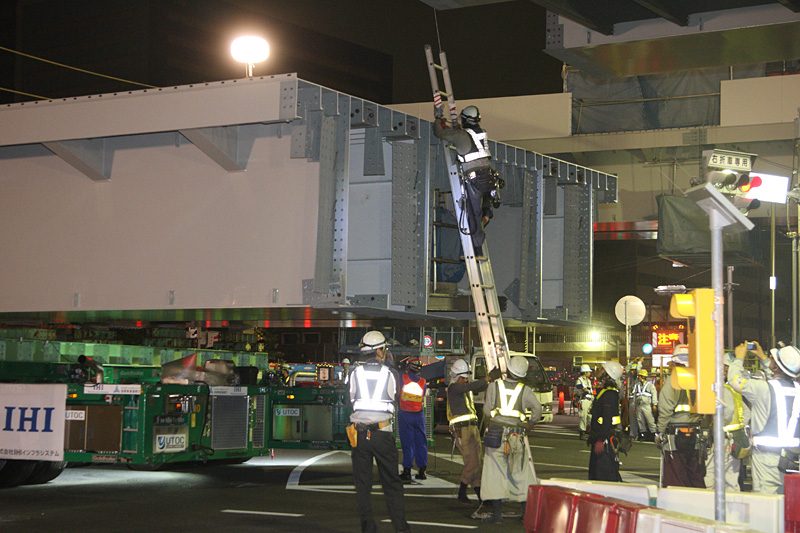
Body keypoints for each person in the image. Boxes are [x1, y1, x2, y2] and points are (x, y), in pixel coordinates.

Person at [348, 331, 410, 532]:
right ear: (381, 350)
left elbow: (351, 399)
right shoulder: (391, 373)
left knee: (363, 485)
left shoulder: (354, 373)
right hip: (383, 433)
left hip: (359, 434)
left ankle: (368, 528)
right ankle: (400, 528)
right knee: (391, 483)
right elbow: (394, 397)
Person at [728, 340, 800, 494]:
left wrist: (739, 358)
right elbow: (777, 381)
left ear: (776, 366)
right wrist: (762, 357)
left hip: (767, 460)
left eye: (772, 359)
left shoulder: (762, 389)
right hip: (793, 459)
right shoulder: (797, 390)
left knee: (766, 507)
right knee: (787, 504)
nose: (770, 359)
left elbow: (733, 379)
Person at [433, 105, 500, 257]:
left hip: (474, 178)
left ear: (464, 119)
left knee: (472, 212)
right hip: (488, 178)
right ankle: (486, 215)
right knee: (485, 204)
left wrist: (438, 118)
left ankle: (477, 250)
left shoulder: (460, 135)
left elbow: (440, 133)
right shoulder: (481, 133)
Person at [480, 356, 541, 523]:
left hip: (497, 436)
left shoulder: (494, 386)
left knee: (495, 474)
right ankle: (525, 514)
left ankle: (497, 515)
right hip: (516, 437)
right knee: (521, 474)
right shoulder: (525, 390)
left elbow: (486, 411)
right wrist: (530, 423)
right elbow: (538, 409)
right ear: (522, 374)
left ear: (508, 369)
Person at [656, 344, 707, 488]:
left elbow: (665, 410)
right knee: (695, 476)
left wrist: (660, 432)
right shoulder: (698, 380)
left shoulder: (673, 381)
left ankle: (677, 507)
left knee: (676, 478)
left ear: (674, 362)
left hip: (675, 437)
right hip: (695, 434)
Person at [704, 351, 751, 492]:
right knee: (731, 478)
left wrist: (720, 425)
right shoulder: (734, 390)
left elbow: (727, 411)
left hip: (724, 440)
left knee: (712, 475)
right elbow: (747, 413)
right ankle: (732, 511)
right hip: (735, 438)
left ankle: (710, 509)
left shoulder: (723, 390)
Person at [447, 358, 490, 505]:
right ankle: (462, 491)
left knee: (477, 461)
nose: (465, 380)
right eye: (463, 377)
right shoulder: (454, 388)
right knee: (472, 462)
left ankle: (479, 496)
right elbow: (473, 386)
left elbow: (475, 387)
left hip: (471, 428)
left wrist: (488, 382)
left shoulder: (464, 388)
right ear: (456, 376)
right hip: (462, 430)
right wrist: (487, 379)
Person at [588, 360, 625, 482]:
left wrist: (600, 440)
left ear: (608, 375)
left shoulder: (609, 394)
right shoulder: (605, 392)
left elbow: (607, 419)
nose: (599, 372)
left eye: (603, 370)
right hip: (602, 438)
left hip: (605, 441)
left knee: (603, 475)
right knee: (598, 473)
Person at [398, 358, 428, 481]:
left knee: (408, 443)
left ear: (409, 367)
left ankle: (407, 471)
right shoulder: (423, 382)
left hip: (405, 414)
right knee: (421, 442)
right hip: (419, 414)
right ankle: (422, 471)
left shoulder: (403, 378)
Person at [632, 368, 658, 440]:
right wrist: (634, 406)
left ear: (643, 377)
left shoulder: (650, 385)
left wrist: (654, 404)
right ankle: (643, 435)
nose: (638, 377)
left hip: (647, 406)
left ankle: (654, 435)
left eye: (639, 376)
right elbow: (635, 396)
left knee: (650, 421)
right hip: (639, 406)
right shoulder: (637, 385)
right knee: (640, 421)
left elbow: (654, 394)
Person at [575, 364, 594, 439]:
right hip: (584, 400)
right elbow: (577, 390)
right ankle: (582, 433)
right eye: (588, 372)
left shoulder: (588, 381)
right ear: (585, 372)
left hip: (590, 400)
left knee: (590, 417)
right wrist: (583, 391)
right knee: (583, 417)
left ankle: (592, 432)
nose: (590, 373)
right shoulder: (580, 380)